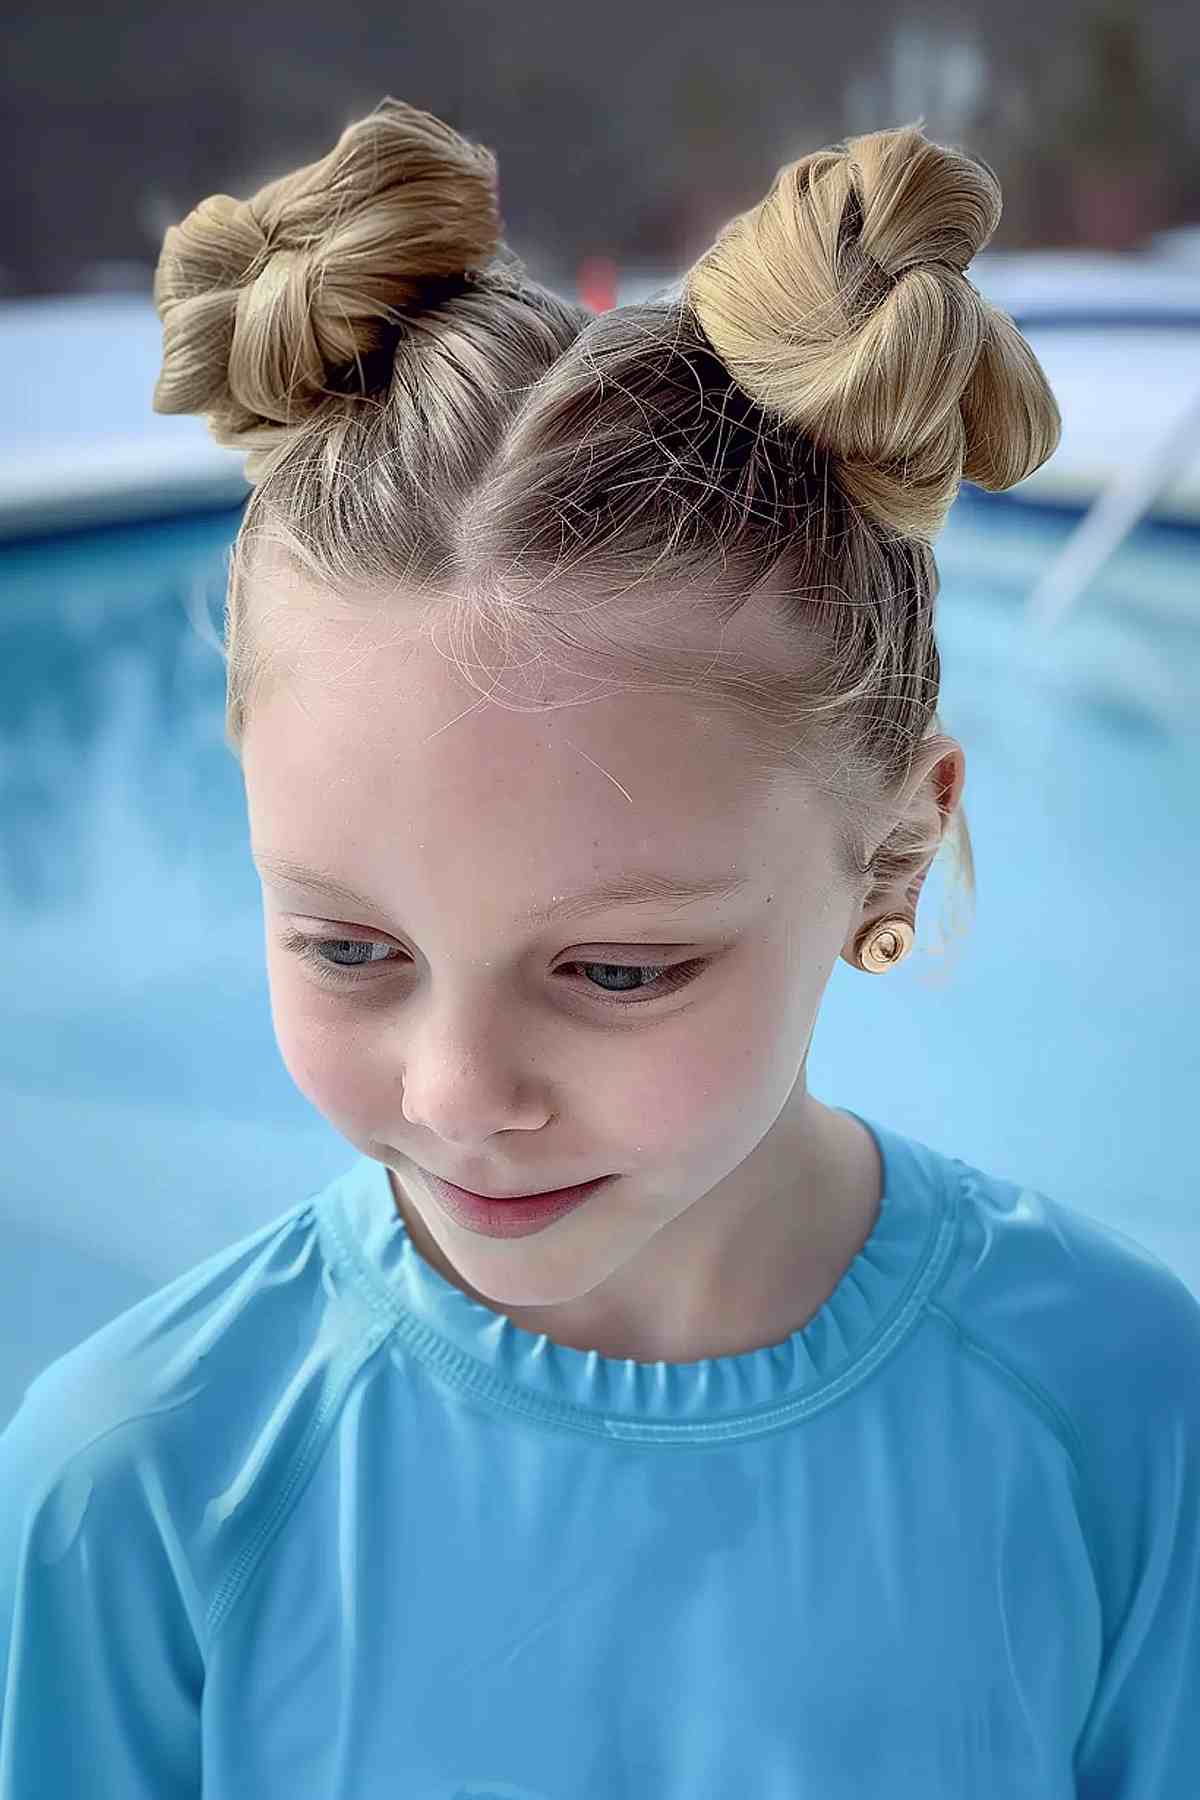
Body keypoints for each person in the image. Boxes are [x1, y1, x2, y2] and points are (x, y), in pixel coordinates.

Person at [2, 97, 1197, 1798]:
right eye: (351, 949)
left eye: (620, 972)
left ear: (900, 840)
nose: (461, 1094)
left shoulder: (1127, 1420)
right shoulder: (134, 1491)